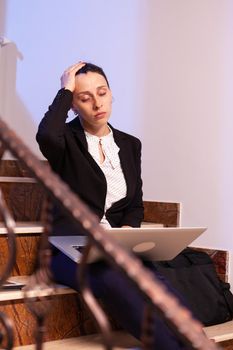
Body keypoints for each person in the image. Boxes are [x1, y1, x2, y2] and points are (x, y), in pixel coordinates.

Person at [36, 62, 189, 349]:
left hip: (116, 246)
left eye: (102, 93)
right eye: (84, 98)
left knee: (155, 279)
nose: (97, 103)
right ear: (72, 104)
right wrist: (64, 90)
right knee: (112, 277)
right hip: (69, 251)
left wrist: (128, 233)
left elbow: (134, 204)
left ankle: (191, 342)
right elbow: (45, 135)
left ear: (110, 93)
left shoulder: (130, 145)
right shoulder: (64, 142)